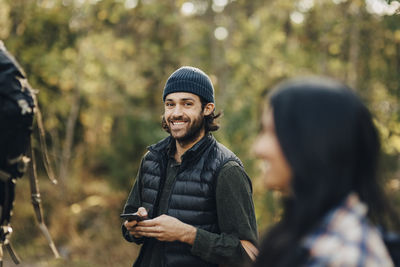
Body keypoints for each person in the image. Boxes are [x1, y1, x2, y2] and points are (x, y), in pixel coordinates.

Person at [252, 77, 400, 266]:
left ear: (314, 145)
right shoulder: (308, 235)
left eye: (273, 133)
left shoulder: (342, 258)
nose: (258, 148)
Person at [121, 66, 258, 267]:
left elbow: (249, 255)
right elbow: (128, 226)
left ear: (207, 108)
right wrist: (133, 228)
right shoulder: (151, 159)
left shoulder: (227, 169)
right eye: (170, 104)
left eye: (187, 104)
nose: (176, 113)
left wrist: (188, 234)